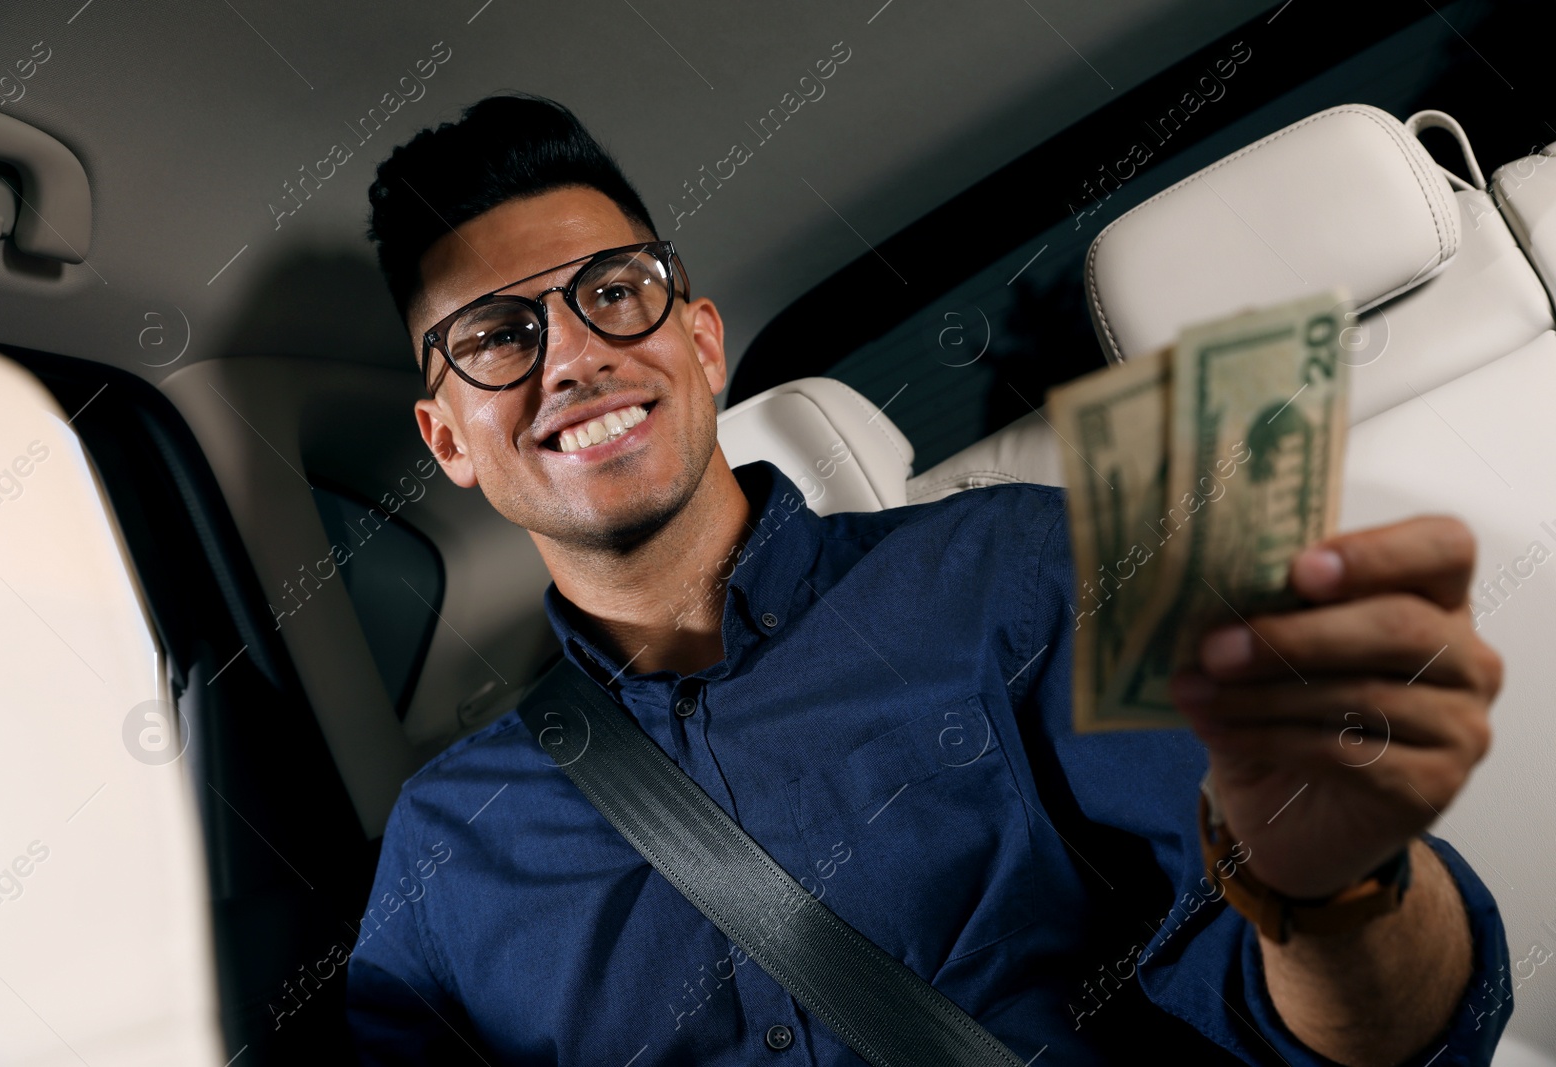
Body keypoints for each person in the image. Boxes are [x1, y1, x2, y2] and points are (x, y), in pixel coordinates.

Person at [345, 93, 1510, 1065]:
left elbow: (1386, 1038)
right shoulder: (443, 849)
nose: (575, 356)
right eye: (496, 335)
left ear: (699, 340)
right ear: (447, 440)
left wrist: (1338, 882)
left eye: (612, 291)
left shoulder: (1032, 569)